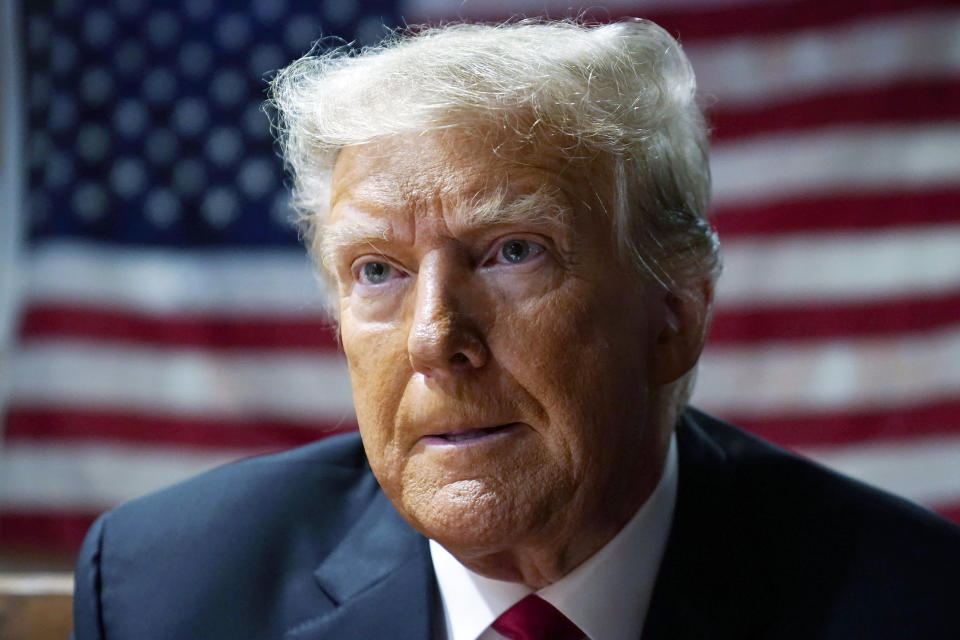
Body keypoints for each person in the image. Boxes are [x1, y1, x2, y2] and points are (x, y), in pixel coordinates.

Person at [72, 19, 960, 640]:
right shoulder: (170, 592)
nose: (433, 338)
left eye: (511, 253)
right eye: (377, 270)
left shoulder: (910, 601)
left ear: (676, 314)